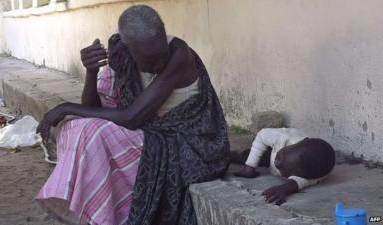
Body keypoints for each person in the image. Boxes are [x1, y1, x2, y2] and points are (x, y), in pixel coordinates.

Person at [36, 5, 229, 225]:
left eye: (160, 54)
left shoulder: (180, 54)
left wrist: (66, 107)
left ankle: (106, 218)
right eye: (150, 59)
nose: (159, 63)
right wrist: (91, 72)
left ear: (163, 33)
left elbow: (131, 118)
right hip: (151, 135)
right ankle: (97, 215)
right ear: (129, 49)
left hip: (189, 143)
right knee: (73, 126)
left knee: (94, 133)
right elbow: (94, 110)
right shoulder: (121, 57)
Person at [234, 128, 335, 205]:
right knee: (245, 155)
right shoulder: (283, 137)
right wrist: (250, 166)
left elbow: (302, 181)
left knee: (269, 159)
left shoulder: (314, 172)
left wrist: (286, 188)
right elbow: (261, 135)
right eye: (281, 156)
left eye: (283, 168)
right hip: (271, 150)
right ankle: (228, 155)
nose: (277, 163)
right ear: (289, 146)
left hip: (284, 157)